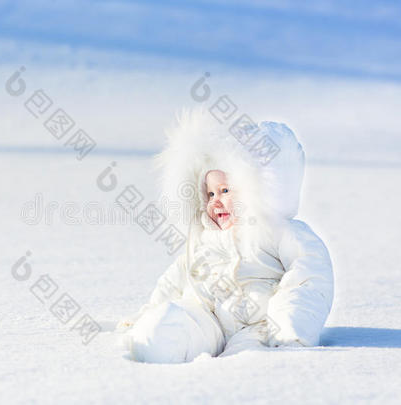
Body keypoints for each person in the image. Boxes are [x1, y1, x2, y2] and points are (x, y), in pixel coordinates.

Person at [116, 108, 334, 363]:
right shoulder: (203, 237)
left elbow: (307, 277)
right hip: (208, 316)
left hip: (258, 325)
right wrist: (148, 315)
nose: (216, 201)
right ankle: (153, 345)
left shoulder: (279, 233)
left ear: (256, 189)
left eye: (225, 190)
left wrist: (290, 327)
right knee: (166, 328)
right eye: (209, 194)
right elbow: (174, 281)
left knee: (245, 360)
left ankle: (229, 383)